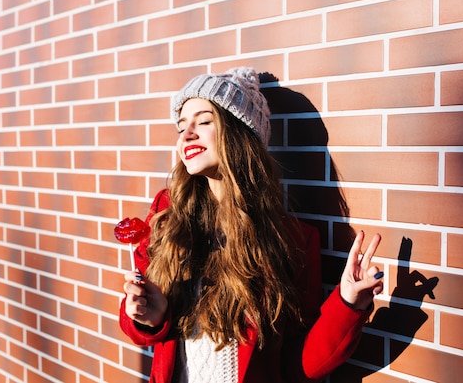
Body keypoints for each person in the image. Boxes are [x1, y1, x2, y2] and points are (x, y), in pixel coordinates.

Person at [118, 67, 384, 383]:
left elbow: (302, 364)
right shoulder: (166, 217)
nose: (187, 134)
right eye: (181, 126)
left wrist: (348, 302)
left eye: (204, 122)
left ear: (241, 135)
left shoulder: (291, 239)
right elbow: (138, 326)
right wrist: (150, 315)